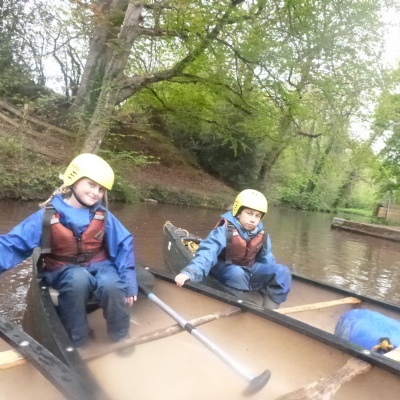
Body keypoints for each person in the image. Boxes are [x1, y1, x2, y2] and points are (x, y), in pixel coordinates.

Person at [0, 153, 138, 346]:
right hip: (62, 268)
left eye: (101, 189)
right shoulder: (46, 216)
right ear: (74, 180)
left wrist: (129, 281)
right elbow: (12, 245)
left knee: (112, 284)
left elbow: (123, 245)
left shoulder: (103, 215)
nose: (95, 192)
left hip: (100, 265)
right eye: (91, 184)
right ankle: (79, 340)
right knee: (77, 280)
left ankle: (120, 336)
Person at [175, 189, 291, 309]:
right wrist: (191, 272)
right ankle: (240, 304)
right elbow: (208, 251)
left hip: (249, 267)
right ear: (238, 212)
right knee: (237, 274)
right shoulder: (225, 230)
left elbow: (266, 258)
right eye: (249, 213)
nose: (253, 219)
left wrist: (266, 278)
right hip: (225, 266)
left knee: (281, 272)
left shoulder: (262, 233)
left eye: (257, 216)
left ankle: (269, 313)